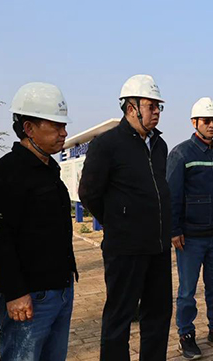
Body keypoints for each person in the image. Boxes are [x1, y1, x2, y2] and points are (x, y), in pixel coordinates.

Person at [79, 74, 173, 360]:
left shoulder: (159, 146)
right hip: (124, 250)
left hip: (158, 247)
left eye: (158, 107)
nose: (156, 112)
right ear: (131, 107)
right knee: (119, 318)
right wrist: (118, 222)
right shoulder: (107, 144)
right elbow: (89, 193)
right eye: (151, 106)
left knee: (158, 315)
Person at [0, 82, 77, 360]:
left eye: (64, 125)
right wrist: (15, 292)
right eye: (56, 125)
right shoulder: (5, 173)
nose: (64, 132)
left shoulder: (49, 169)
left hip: (60, 291)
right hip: (29, 298)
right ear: (29, 128)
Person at [167, 97, 213, 359]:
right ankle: (186, 334)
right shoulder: (181, 153)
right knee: (187, 291)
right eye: (207, 121)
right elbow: (173, 194)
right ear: (194, 122)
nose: (212, 125)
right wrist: (174, 229)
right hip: (190, 237)